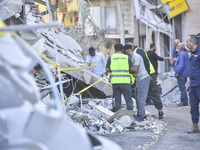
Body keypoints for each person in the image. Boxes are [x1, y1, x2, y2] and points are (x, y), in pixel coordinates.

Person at [124, 44, 150, 122]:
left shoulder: (136, 57)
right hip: (139, 79)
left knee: (141, 98)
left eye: (125, 51)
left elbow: (135, 70)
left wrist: (125, 70)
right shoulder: (131, 58)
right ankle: (139, 113)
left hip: (143, 78)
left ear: (128, 50)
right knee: (137, 97)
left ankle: (142, 115)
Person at [106, 44, 134, 112]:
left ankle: (118, 117)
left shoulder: (111, 57)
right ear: (122, 50)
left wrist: (112, 71)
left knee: (117, 101)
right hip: (125, 82)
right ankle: (130, 117)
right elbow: (131, 69)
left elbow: (107, 69)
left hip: (115, 82)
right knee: (128, 101)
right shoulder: (127, 57)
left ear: (115, 50)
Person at [186, 35, 200, 133]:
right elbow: (193, 70)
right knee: (193, 106)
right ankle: (195, 126)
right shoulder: (192, 53)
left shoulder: (199, 52)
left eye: (187, 41)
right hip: (194, 84)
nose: (186, 43)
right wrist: (190, 83)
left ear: (192, 43)